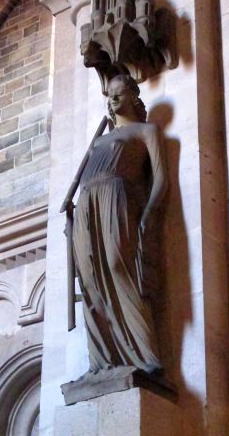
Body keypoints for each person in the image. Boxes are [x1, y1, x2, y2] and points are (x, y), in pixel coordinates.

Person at [72, 74, 168, 374]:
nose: (113, 99)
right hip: (85, 203)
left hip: (116, 196)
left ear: (133, 96)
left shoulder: (146, 131)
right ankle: (101, 361)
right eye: (109, 94)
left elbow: (161, 178)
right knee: (88, 279)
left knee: (118, 266)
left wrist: (149, 212)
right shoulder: (99, 140)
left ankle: (145, 356)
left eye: (119, 93)